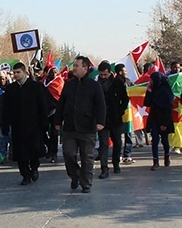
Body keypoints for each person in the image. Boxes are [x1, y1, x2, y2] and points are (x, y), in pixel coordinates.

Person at [55, 56, 105, 193]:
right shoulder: (69, 84)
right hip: (70, 127)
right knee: (68, 154)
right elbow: (61, 104)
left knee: (87, 157)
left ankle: (86, 183)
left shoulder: (94, 86)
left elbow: (101, 105)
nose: (74, 68)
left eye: (77, 66)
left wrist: (101, 122)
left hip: (87, 127)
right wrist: (57, 121)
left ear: (85, 68)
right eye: (74, 66)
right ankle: (75, 175)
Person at [3, 62, 48, 186]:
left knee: (34, 150)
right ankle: (25, 174)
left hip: (33, 125)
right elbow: (6, 108)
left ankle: (34, 168)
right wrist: (5, 124)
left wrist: (44, 123)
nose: (16, 75)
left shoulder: (36, 87)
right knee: (20, 153)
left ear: (25, 72)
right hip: (17, 126)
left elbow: (42, 106)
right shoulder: (11, 89)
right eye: (14, 72)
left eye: (18, 72)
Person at [97, 61, 129, 178]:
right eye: (101, 75)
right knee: (103, 144)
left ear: (110, 73)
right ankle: (104, 168)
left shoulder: (118, 83)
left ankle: (116, 163)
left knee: (117, 142)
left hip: (115, 118)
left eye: (105, 75)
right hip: (102, 119)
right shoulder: (96, 85)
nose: (103, 77)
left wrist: (120, 111)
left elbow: (125, 99)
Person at [144, 72, 175, 171]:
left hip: (164, 119)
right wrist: (148, 92)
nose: (150, 82)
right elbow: (146, 103)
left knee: (165, 140)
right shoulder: (152, 90)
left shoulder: (166, 91)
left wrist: (165, 123)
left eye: (152, 80)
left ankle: (167, 155)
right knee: (155, 140)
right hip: (154, 118)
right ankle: (155, 161)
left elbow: (169, 108)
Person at [42, 66, 64, 163]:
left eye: (55, 72)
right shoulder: (43, 82)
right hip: (44, 111)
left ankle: (54, 154)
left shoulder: (59, 81)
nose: (54, 74)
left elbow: (60, 96)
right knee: (41, 131)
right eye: (52, 72)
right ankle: (49, 146)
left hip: (55, 111)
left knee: (54, 134)